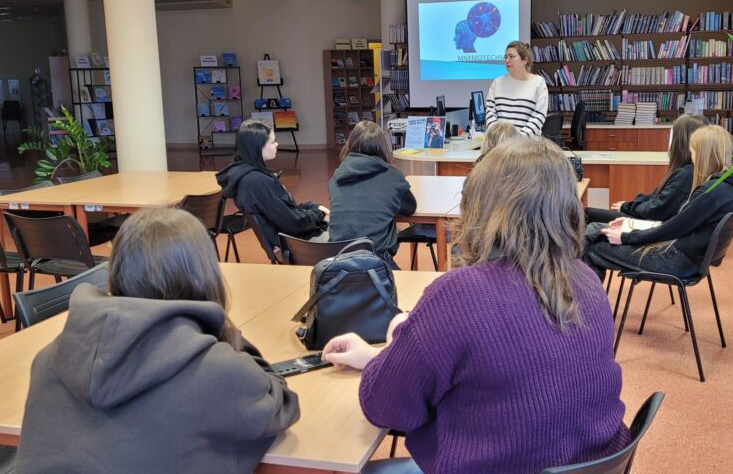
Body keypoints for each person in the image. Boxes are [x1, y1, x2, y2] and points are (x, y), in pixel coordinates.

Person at [322, 137, 629, 474]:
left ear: (480, 205)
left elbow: (385, 407)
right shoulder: (586, 281)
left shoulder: (459, 296)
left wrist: (398, 338)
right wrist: (379, 357)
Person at [16, 208, 300, 473]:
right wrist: (221, 328)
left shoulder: (47, 360)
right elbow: (281, 403)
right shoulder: (218, 371)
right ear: (204, 276)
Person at [584, 125, 733, 279]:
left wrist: (626, 237)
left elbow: (671, 229)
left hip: (677, 260)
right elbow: (678, 224)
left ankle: (590, 310)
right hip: (690, 257)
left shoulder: (711, 193)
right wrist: (632, 223)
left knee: (593, 249)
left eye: (693, 152)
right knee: (594, 232)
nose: (692, 157)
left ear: (703, 154)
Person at [217, 118, 329, 257]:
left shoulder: (247, 176)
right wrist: (320, 214)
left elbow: (285, 211)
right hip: (298, 245)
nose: (277, 144)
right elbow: (294, 222)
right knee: (359, 240)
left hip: (291, 240)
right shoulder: (257, 182)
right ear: (258, 147)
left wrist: (313, 207)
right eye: (272, 141)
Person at [584, 114, 709, 224]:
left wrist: (627, 207)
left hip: (648, 224)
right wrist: (631, 205)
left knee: (586, 214)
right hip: (649, 219)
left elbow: (657, 209)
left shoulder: (686, 174)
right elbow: (656, 199)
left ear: (679, 141)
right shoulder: (693, 170)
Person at [328, 121, 417, 267]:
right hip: (376, 265)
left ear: (350, 145)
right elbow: (410, 208)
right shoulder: (393, 177)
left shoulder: (335, 179)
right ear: (383, 148)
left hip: (338, 265)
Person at [485, 41, 549, 136]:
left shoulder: (538, 83)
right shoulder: (497, 83)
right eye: (505, 57)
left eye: (511, 56)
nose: (507, 60)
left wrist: (518, 138)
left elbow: (539, 116)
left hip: (527, 144)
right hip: (501, 143)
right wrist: (497, 136)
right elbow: (490, 113)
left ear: (524, 60)